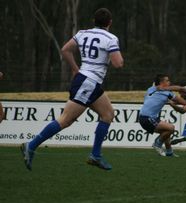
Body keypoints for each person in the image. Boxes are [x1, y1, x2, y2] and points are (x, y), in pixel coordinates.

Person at [20, 8, 124, 171]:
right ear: (109, 23)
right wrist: (118, 57)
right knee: (66, 120)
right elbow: (118, 63)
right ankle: (31, 145)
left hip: (88, 81)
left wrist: (75, 68)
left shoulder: (82, 33)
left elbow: (65, 50)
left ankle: (95, 155)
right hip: (89, 82)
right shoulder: (111, 38)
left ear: (93, 21)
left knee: (108, 114)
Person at [139, 74, 186, 157]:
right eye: (167, 80)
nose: (169, 82)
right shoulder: (167, 93)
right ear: (161, 82)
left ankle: (169, 152)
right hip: (147, 118)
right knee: (171, 128)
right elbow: (183, 102)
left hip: (144, 117)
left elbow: (155, 88)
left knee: (165, 132)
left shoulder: (150, 89)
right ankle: (157, 144)